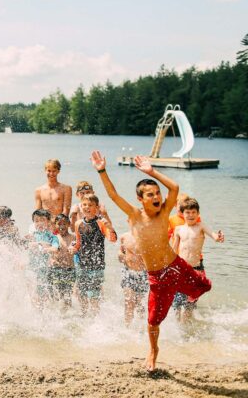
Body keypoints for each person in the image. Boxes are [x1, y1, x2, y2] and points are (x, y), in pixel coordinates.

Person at [91, 151, 212, 371]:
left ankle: (188, 299)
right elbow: (113, 195)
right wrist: (101, 170)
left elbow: (174, 188)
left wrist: (152, 171)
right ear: (140, 199)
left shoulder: (165, 211)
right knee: (153, 320)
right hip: (157, 276)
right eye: (150, 194)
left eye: (157, 193)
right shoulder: (135, 215)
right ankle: (153, 351)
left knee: (205, 286)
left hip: (177, 266)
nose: (156, 197)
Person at [170, 197, 224, 324]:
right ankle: (177, 328)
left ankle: (187, 327)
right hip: (180, 269)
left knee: (190, 303)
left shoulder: (201, 226)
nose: (191, 215)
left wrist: (219, 237)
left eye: (194, 212)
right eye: (188, 212)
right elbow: (174, 250)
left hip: (195, 269)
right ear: (182, 214)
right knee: (177, 303)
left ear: (198, 214)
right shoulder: (178, 229)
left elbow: (214, 236)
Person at [71, 193, 117, 316]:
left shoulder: (101, 223)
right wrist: (73, 247)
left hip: (97, 265)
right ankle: (84, 315)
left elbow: (112, 239)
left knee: (94, 295)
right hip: (82, 264)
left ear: (96, 207)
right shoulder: (78, 224)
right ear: (81, 206)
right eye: (84, 205)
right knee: (81, 293)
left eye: (90, 205)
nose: (87, 207)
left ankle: (95, 318)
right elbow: (78, 243)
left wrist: (110, 228)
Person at [25, 209, 59, 309]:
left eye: (42, 220)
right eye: (36, 221)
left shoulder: (52, 236)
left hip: (43, 269)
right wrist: (39, 244)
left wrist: (46, 248)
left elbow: (55, 248)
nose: (39, 223)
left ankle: (41, 311)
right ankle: (33, 310)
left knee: (41, 291)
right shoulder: (31, 235)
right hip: (30, 267)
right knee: (31, 291)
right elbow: (27, 245)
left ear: (48, 222)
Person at [118, 230, 148, 326]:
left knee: (140, 303)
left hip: (143, 273)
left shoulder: (148, 236)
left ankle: (141, 327)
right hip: (128, 272)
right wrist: (121, 255)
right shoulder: (124, 236)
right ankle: (128, 327)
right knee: (129, 301)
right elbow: (120, 252)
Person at [49, 214, 76, 312]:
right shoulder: (54, 237)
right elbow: (49, 251)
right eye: (59, 224)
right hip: (56, 269)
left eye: (64, 223)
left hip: (69, 270)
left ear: (69, 224)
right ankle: (58, 314)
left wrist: (73, 249)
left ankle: (68, 314)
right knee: (57, 294)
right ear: (55, 225)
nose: (62, 226)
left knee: (68, 294)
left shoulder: (73, 237)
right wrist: (51, 260)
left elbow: (76, 249)